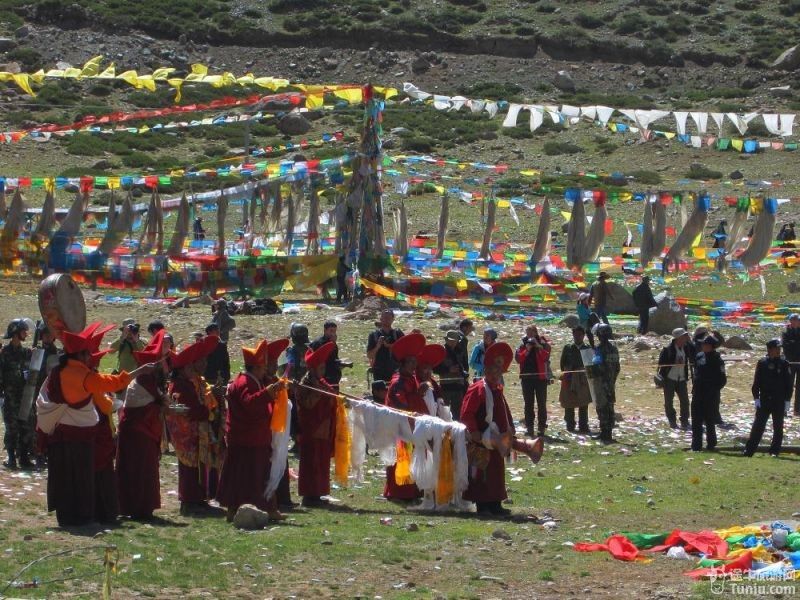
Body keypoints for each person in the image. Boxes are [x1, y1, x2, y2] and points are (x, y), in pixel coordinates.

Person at [36, 322, 153, 527]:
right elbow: (114, 382)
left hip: (59, 434)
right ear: (80, 355)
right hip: (80, 437)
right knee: (82, 479)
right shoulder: (84, 376)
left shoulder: (58, 372)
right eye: (87, 354)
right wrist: (138, 371)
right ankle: (83, 518)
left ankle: (66, 517)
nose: (90, 357)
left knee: (64, 477)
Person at [217, 340, 287, 521]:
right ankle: (260, 508)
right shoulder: (245, 382)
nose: (265, 370)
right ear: (256, 367)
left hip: (250, 436)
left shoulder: (251, 380)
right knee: (252, 475)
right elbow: (250, 403)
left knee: (243, 475)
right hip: (249, 437)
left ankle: (240, 509)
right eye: (263, 367)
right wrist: (268, 393)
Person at [165, 334, 223, 515]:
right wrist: (208, 411)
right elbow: (192, 409)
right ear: (184, 368)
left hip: (197, 432)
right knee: (189, 468)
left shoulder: (192, 382)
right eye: (198, 362)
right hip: (187, 434)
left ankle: (200, 499)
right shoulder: (180, 385)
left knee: (199, 466)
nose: (204, 364)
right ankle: (189, 501)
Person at [117, 330, 170, 520]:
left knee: (136, 469)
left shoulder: (144, 379)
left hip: (136, 430)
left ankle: (132, 506)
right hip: (140, 431)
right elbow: (163, 401)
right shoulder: (145, 380)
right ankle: (140, 507)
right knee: (141, 470)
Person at [460, 342, 515, 516]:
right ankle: (483, 505)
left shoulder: (497, 389)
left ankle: (496, 503)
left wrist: (510, 428)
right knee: (481, 472)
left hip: (497, 438)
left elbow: (504, 411)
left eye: (498, 372)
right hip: (482, 438)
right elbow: (467, 413)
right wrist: (474, 432)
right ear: (485, 371)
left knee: (497, 471)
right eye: (490, 371)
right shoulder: (477, 389)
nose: (494, 375)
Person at [384, 333, 427, 502]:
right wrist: (418, 394)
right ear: (402, 363)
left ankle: (412, 490)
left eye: (415, 363)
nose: (413, 366)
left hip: (411, 426)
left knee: (411, 458)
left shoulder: (411, 379)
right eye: (410, 362)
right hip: (400, 427)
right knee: (400, 458)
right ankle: (399, 492)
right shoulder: (398, 382)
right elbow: (401, 405)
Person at [295, 341, 338, 507]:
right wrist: (321, 394)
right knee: (311, 461)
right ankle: (309, 495)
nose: (323, 370)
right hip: (311, 429)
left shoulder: (320, 381)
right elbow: (307, 404)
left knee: (321, 461)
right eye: (321, 367)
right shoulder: (305, 383)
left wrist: (333, 394)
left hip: (323, 428)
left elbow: (332, 392)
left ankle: (319, 492)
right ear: (312, 369)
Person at [743, 339, 792, 458]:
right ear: (770, 349)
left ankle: (774, 451)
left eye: (780, 348)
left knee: (778, 427)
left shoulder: (784, 364)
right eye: (777, 348)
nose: (779, 350)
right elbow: (756, 382)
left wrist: (787, 400)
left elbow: (789, 384)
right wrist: (756, 398)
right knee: (758, 426)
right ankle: (749, 450)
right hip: (765, 399)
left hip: (778, 400)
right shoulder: (762, 362)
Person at [1, 318, 32, 470]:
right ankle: (11, 457)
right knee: (12, 428)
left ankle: (24, 457)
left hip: (23, 397)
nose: (26, 333)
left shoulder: (26, 353)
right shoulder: (4, 353)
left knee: (25, 427)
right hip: (10, 397)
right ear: (15, 333)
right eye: (23, 331)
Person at [690, 335, 727, 452]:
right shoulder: (699, 356)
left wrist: (713, 389)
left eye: (705, 344)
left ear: (711, 347)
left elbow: (722, 379)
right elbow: (696, 372)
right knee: (696, 420)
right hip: (698, 392)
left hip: (710, 394)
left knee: (709, 420)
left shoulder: (718, 360)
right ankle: (696, 445)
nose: (703, 346)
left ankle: (711, 444)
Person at [515, 325, 552, 437]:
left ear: (536, 332)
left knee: (541, 403)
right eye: (527, 332)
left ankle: (541, 427)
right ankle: (529, 427)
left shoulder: (543, 343)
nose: (529, 335)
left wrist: (538, 346)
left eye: (531, 332)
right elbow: (518, 359)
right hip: (527, 378)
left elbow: (545, 357)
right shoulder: (523, 344)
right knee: (528, 404)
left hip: (540, 378)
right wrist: (527, 350)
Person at [587, 324, 620, 443]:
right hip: (611, 382)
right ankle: (608, 432)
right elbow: (617, 368)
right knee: (610, 407)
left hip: (601, 382)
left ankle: (604, 433)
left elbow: (596, 367)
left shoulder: (599, 349)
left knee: (601, 407)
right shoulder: (614, 349)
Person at [558, 326, 592, 434]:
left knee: (583, 402)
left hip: (582, 379)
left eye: (579, 335)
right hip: (569, 377)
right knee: (569, 402)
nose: (577, 337)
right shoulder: (568, 348)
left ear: (583, 336)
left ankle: (583, 425)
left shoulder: (587, 348)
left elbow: (590, 365)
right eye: (575, 335)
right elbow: (562, 363)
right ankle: (570, 424)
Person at [658, 328, 694, 430]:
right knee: (669, 401)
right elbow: (661, 364)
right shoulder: (668, 349)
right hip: (670, 378)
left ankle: (685, 421)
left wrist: (689, 340)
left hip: (681, 378)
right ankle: (672, 421)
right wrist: (673, 363)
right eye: (683, 337)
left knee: (685, 401)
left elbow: (694, 351)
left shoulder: (686, 347)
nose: (685, 339)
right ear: (678, 338)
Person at [433, 331, 468, 421]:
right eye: (451, 340)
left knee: (458, 412)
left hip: (458, 386)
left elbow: (464, 365)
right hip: (446, 387)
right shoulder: (441, 352)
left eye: (455, 341)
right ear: (447, 340)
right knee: (445, 413)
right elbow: (435, 369)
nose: (453, 343)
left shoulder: (460, 352)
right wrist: (449, 370)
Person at [309, 321, 351, 392]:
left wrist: (342, 363)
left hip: (333, 375)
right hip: (323, 376)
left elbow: (334, 358)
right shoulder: (318, 343)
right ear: (325, 330)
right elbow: (317, 361)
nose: (333, 333)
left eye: (334, 331)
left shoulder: (332, 343)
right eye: (331, 331)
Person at [366, 309, 404, 383]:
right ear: (380, 319)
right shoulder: (374, 335)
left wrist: (391, 346)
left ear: (393, 319)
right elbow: (369, 355)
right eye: (384, 317)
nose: (386, 320)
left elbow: (404, 351)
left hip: (396, 371)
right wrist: (378, 346)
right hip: (379, 371)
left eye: (388, 318)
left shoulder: (398, 333)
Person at [781, 313, 800, 416]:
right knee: (788, 386)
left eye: (796, 320)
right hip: (790, 362)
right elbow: (786, 346)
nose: (794, 322)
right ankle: (785, 409)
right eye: (793, 320)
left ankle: (797, 409)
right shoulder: (786, 332)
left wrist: (794, 344)